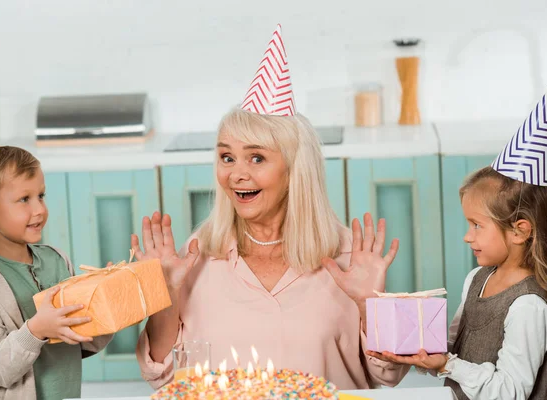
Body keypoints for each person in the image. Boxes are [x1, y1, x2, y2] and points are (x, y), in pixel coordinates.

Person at [134, 25, 410, 390]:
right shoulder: (197, 256)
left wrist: (370, 305)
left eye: (257, 158)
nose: (236, 174)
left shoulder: (348, 256)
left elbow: (389, 375)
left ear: (295, 169)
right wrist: (164, 296)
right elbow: (163, 377)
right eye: (227, 157)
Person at [371, 88, 547, 399]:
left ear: (519, 231)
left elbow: (510, 392)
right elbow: (451, 350)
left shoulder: (529, 307)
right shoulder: (477, 279)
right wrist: (412, 346)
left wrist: (447, 365)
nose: (467, 235)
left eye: (477, 225)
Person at [0, 134, 112, 400]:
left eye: (41, 195)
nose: (40, 209)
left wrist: (109, 305)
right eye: (24, 199)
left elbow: (83, 342)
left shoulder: (57, 260)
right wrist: (36, 330)